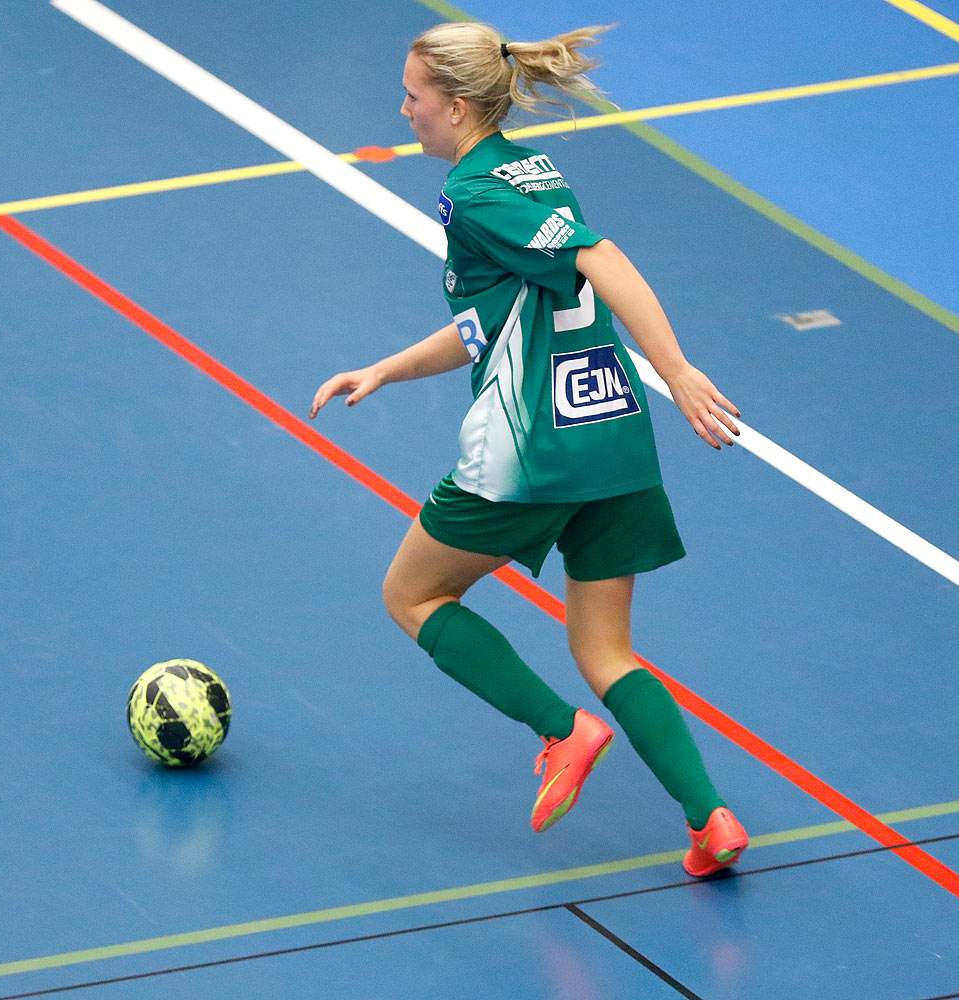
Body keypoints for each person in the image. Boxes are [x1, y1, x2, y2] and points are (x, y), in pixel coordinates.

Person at [310, 21, 747, 877]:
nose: (403, 111)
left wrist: (681, 369)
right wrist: (388, 369)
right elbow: (495, 318)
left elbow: (602, 258)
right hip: (612, 433)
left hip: (531, 446)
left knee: (413, 596)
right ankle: (711, 818)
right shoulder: (530, 169)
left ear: (461, 107)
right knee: (606, 651)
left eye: (414, 97)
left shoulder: (476, 195)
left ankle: (562, 733)